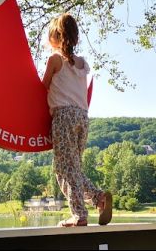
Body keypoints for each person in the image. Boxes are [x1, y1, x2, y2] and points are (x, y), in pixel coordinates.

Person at [42, 13, 112, 227]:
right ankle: (96, 199)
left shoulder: (55, 60)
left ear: (55, 36)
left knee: (64, 169)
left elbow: (42, 87)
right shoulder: (83, 63)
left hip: (64, 116)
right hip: (83, 116)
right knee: (74, 168)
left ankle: (80, 213)